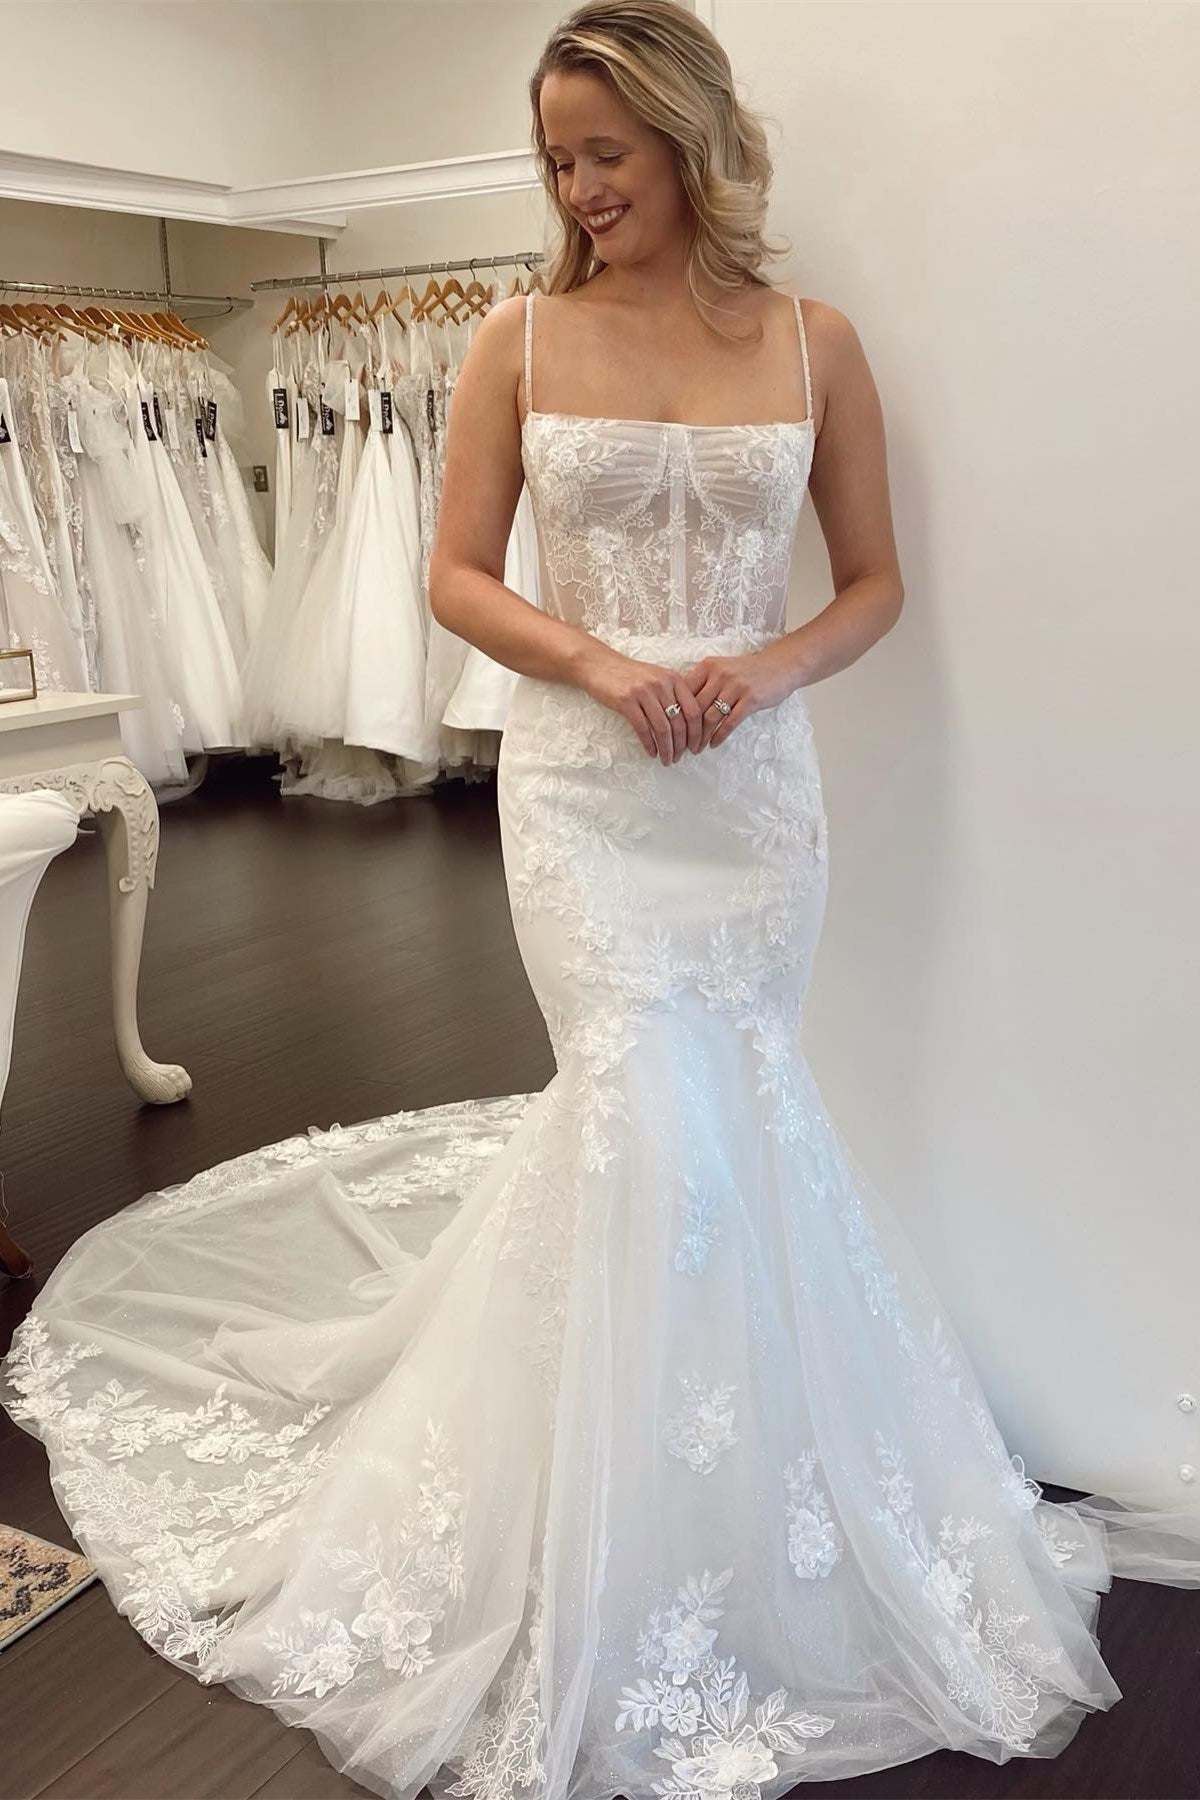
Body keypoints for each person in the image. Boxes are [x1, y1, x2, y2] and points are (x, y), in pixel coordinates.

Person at [2, 5, 1197, 1798]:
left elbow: (872, 581)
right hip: (582, 786)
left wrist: (764, 669)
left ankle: (750, 1490)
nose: (577, 189)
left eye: (605, 155)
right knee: (641, 1105)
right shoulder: (517, 336)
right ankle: (595, 1523)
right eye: (557, 159)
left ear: (692, 143)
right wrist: (602, 664)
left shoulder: (816, 341)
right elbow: (456, 577)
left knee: (742, 1112)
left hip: (752, 798)